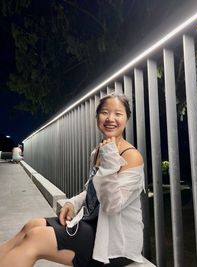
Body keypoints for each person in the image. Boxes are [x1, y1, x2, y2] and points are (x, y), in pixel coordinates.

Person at [0, 93, 145, 267]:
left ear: (127, 119)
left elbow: (112, 206)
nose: (110, 118)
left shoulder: (131, 156)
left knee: (35, 238)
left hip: (114, 243)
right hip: (92, 224)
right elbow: (92, 191)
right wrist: (72, 203)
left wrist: (110, 163)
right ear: (97, 116)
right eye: (105, 112)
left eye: (118, 114)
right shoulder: (100, 151)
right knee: (31, 226)